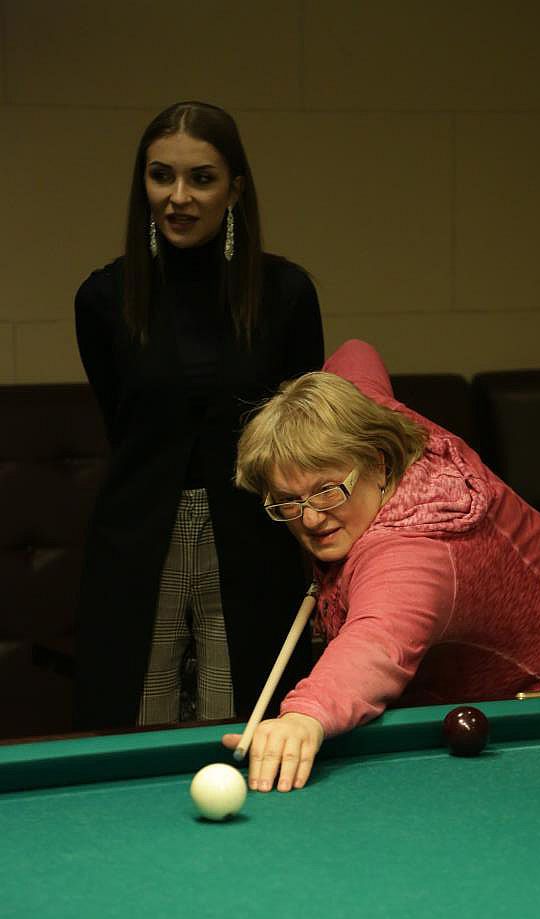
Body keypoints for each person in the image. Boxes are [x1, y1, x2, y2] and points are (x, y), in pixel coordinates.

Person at [221, 339, 540, 791]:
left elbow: (376, 643)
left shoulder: (413, 553)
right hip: (468, 671)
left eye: (327, 491)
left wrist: (306, 715)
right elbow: (356, 353)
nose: (309, 518)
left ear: (378, 464)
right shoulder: (367, 415)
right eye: (288, 501)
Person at [74, 101, 324, 730]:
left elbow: (299, 433)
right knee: (132, 728)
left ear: (234, 189)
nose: (178, 197)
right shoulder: (103, 296)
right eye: (161, 176)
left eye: (202, 179)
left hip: (256, 540)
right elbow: (124, 426)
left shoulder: (286, 293)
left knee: (248, 726)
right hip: (136, 542)